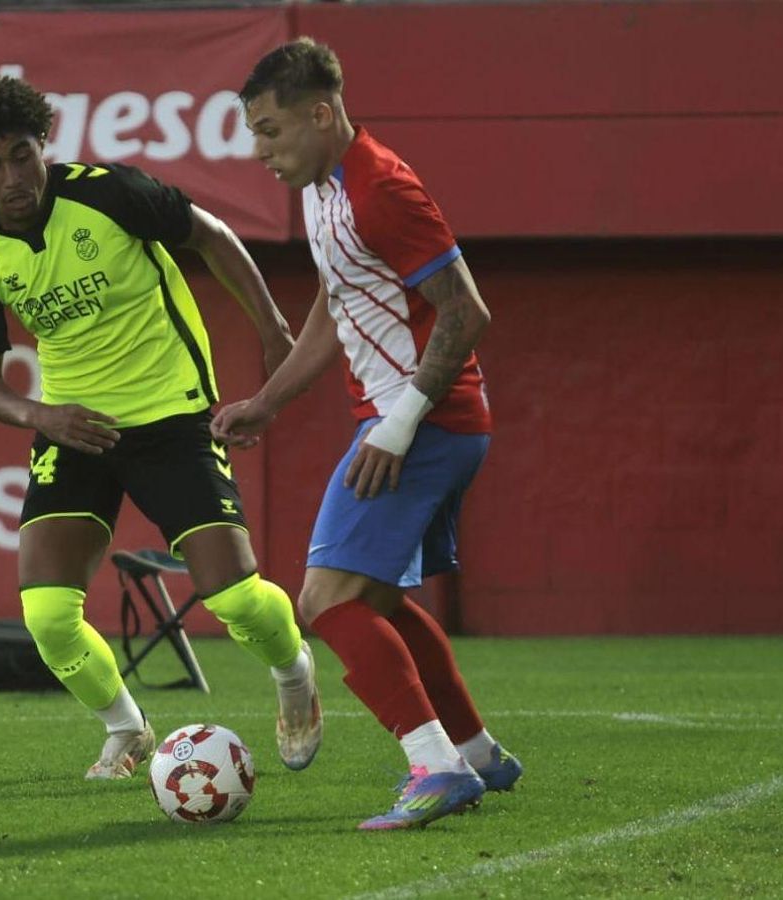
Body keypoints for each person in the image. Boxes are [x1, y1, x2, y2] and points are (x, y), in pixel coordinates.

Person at [0, 75, 322, 781]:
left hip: (170, 413)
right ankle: (127, 728)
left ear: (42, 144)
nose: (14, 177)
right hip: (76, 429)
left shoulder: (109, 193)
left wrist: (272, 331)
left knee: (234, 597)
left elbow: (212, 236)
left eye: (23, 155)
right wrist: (42, 415)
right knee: (49, 618)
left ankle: (295, 674)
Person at [214, 38, 523, 830]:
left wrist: (398, 426)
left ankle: (436, 767)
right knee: (374, 598)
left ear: (321, 115)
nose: (261, 150)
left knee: (324, 601)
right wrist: (270, 400)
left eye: (271, 130)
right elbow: (338, 302)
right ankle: (477, 752)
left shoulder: (380, 187)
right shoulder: (326, 190)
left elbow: (467, 312)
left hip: (422, 423)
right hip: (417, 422)